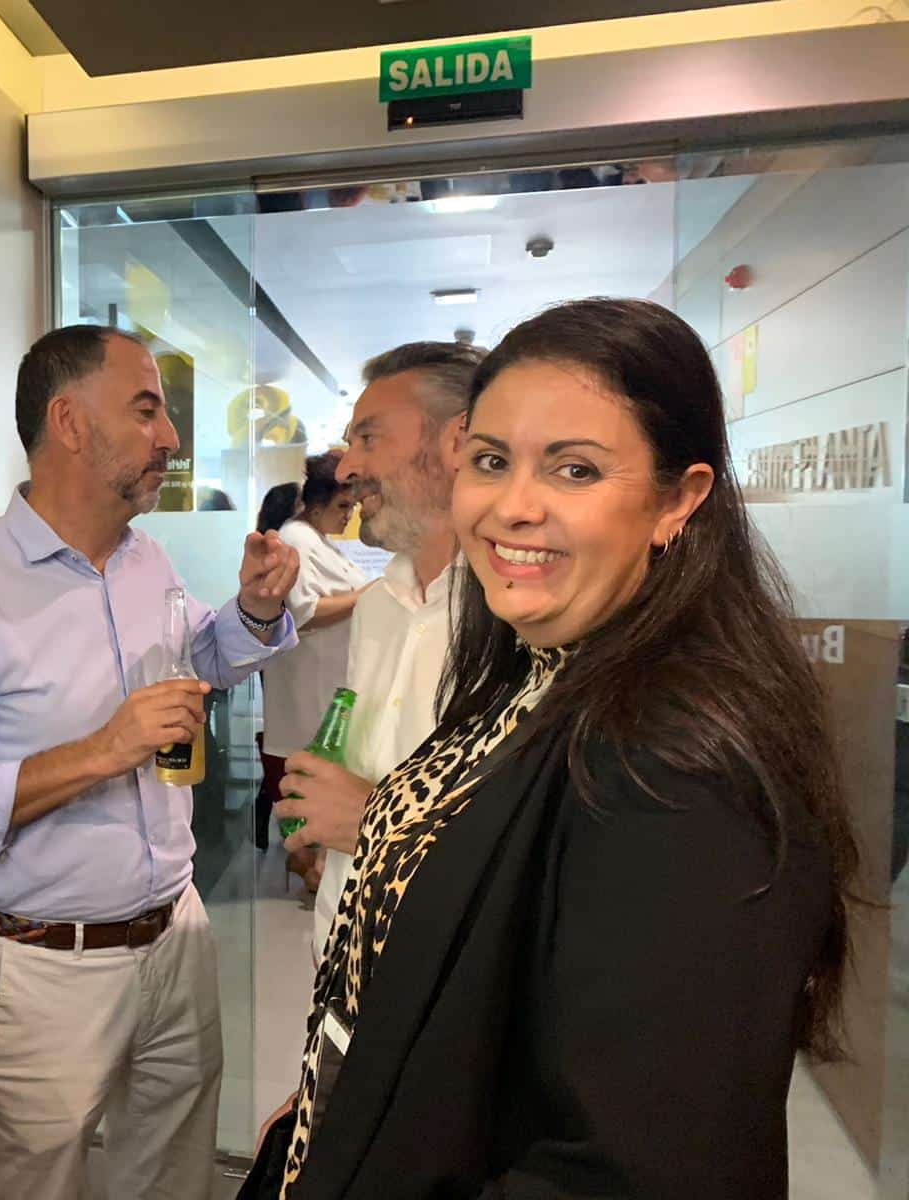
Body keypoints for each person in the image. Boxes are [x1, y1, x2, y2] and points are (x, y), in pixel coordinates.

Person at [249, 298, 858, 1199]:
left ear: (677, 500)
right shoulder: (536, 672)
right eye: (492, 461)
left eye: (574, 469)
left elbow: (636, 1169)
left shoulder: (677, 766)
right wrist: (337, 1095)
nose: (513, 506)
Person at [0, 323, 300, 1199]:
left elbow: (191, 667)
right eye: (147, 410)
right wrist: (101, 751)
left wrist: (254, 616)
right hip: (41, 968)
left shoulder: (149, 560)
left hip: (177, 937)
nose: (171, 439)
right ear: (69, 424)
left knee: (175, 1182)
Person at [270, 342, 484, 960]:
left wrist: (369, 820)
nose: (345, 469)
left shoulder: (518, 617)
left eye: (369, 438)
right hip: (345, 950)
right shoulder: (380, 603)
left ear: (458, 440)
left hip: (443, 971)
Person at [253, 453, 366, 878]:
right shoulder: (296, 540)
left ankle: (316, 865)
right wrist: (368, 594)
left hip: (328, 683)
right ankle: (306, 863)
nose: (349, 514)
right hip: (307, 687)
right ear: (316, 504)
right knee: (306, 786)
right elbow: (304, 610)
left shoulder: (320, 541)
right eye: (342, 507)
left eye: (352, 506)